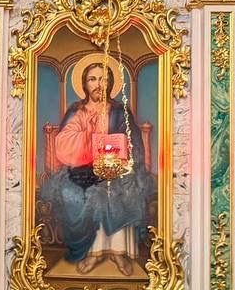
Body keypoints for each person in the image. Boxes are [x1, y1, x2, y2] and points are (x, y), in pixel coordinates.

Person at [40, 57, 154, 275]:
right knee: (77, 192)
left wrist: (120, 157)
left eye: (103, 79)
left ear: (110, 83)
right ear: (85, 84)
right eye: (92, 79)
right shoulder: (77, 110)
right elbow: (64, 143)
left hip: (117, 167)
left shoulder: (120, 111)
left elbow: (134, 142)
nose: (98, 84)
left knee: (120, 189)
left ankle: (118, 253)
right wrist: (91, 137)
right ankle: (93, 253)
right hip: (82, 168)